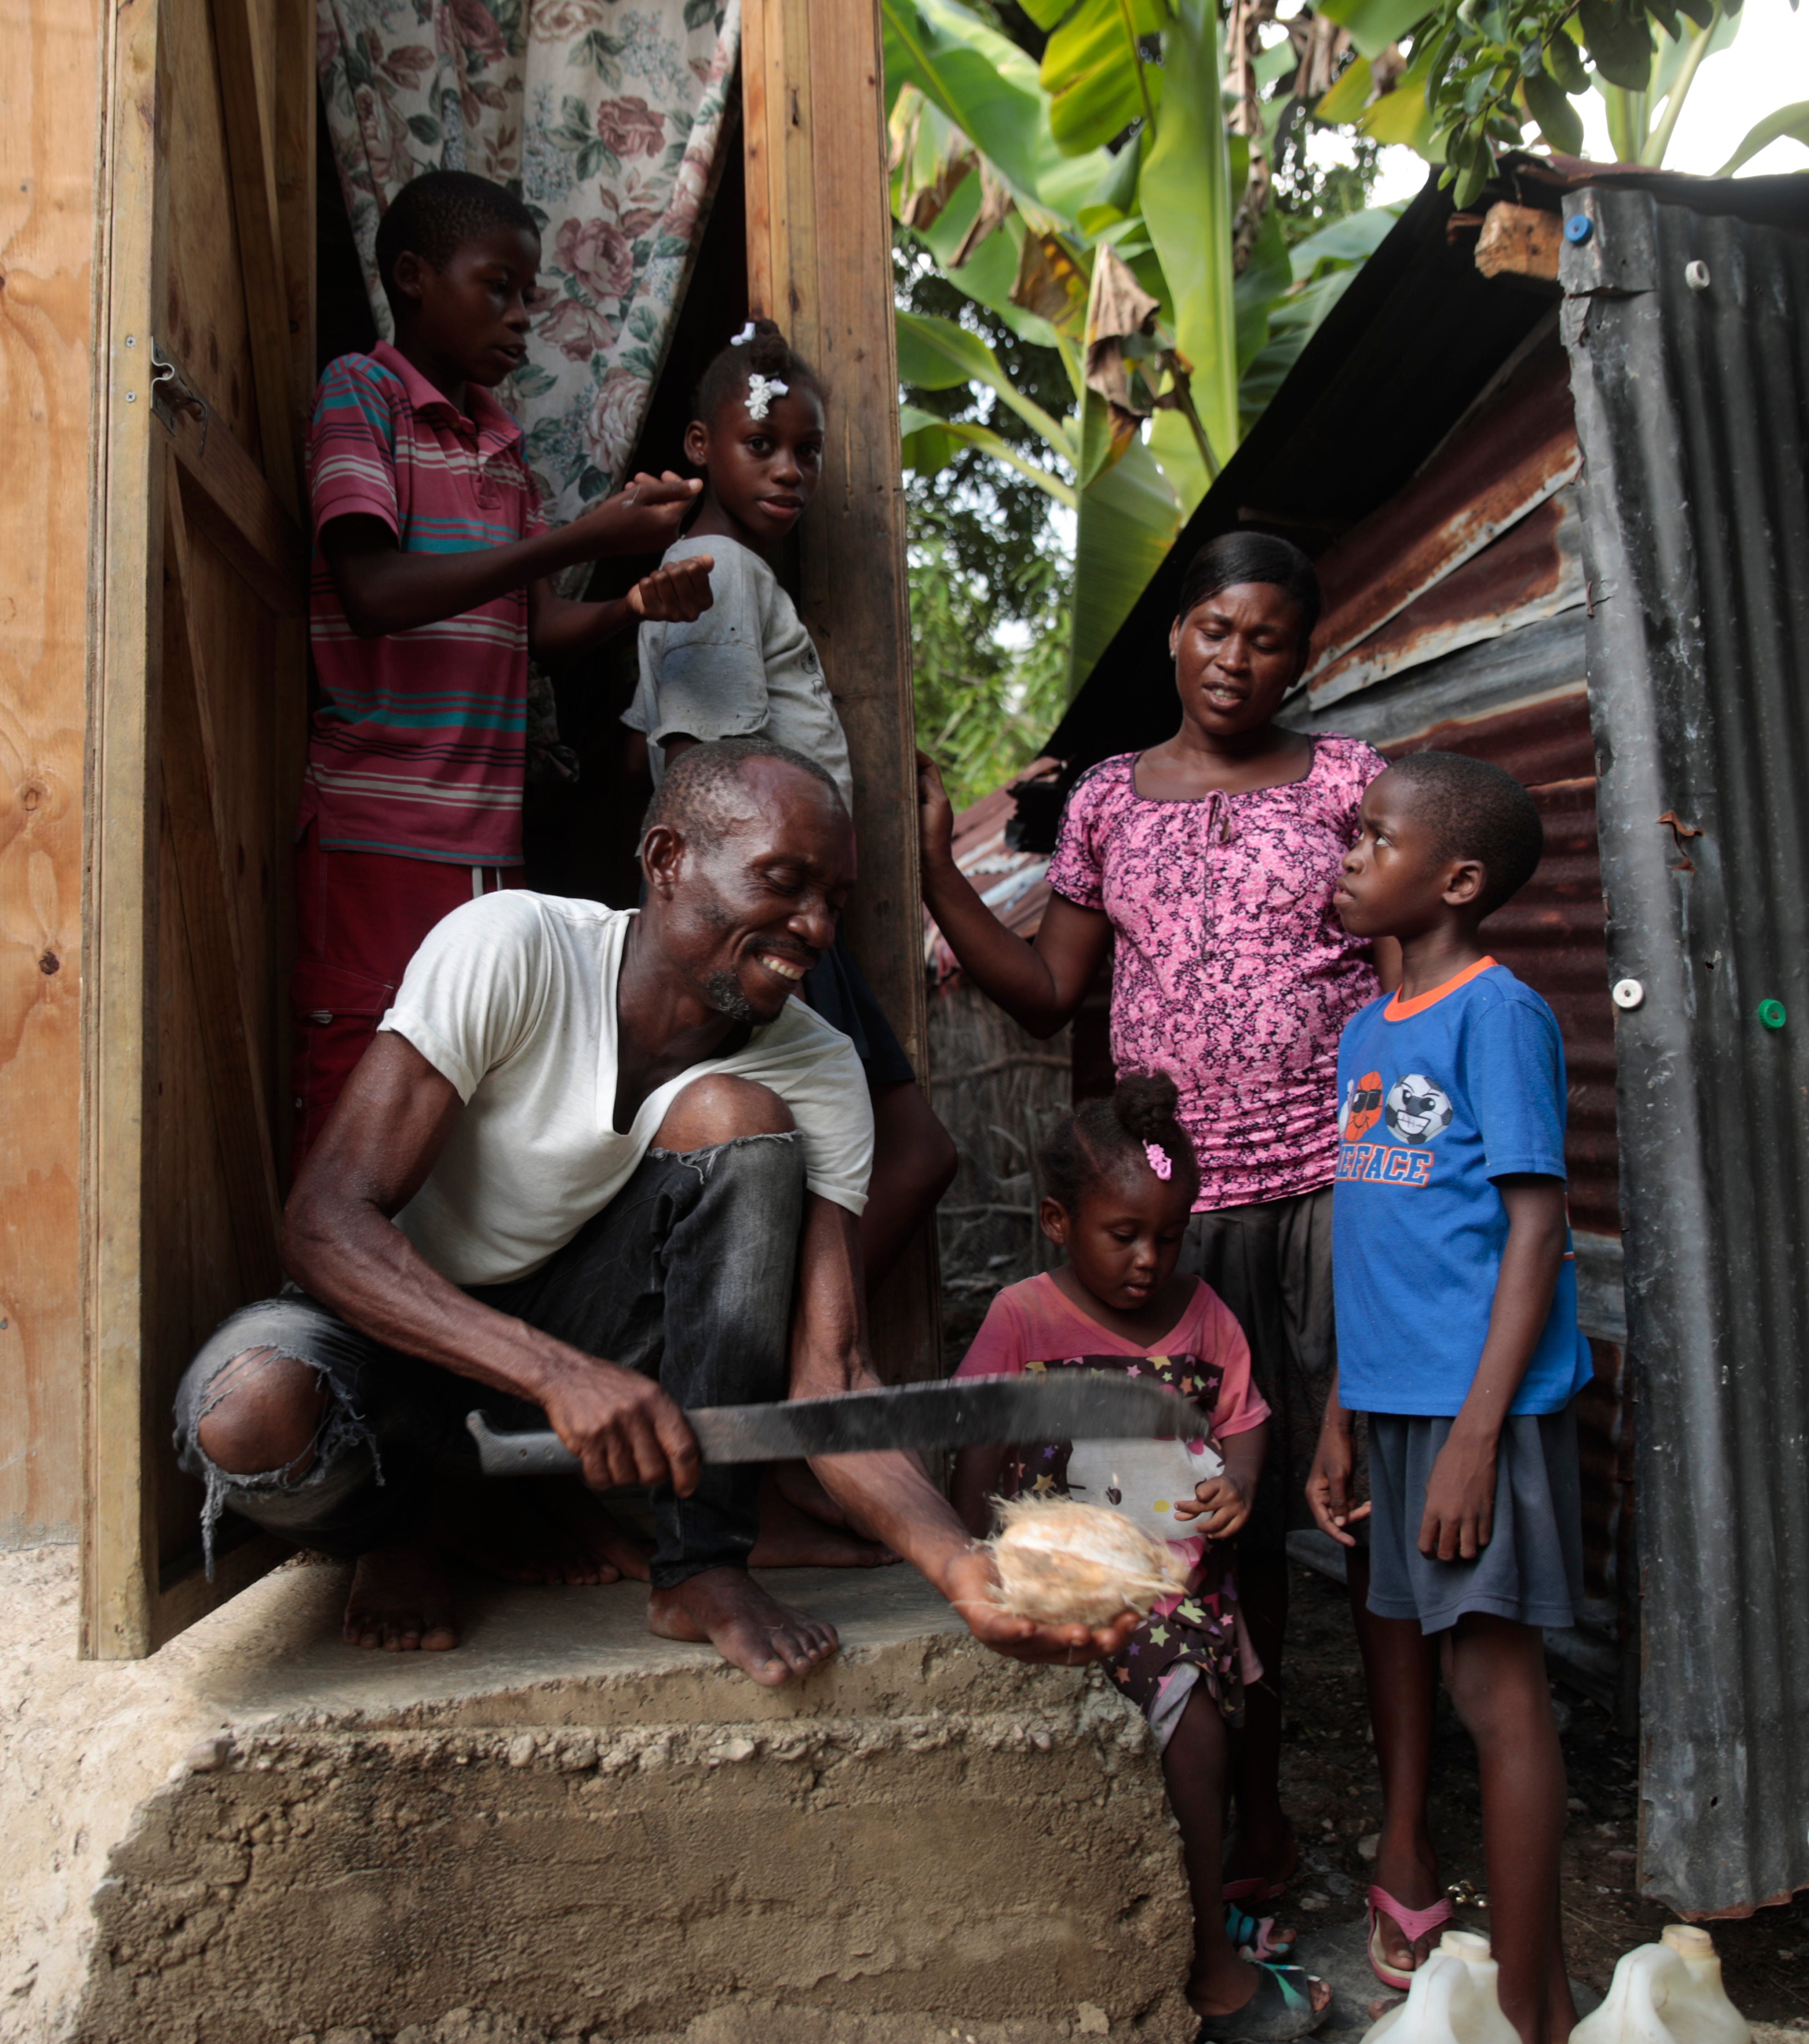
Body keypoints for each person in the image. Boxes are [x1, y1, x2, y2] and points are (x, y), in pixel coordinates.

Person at [173, 736, 1138, 1687]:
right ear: (668, 860)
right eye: (783, 880)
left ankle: (701, 1567)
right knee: (247, 1411)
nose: (815, 928)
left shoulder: (816, 1063)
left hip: (561, 1370)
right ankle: (410, 1522)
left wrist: (965, 1570)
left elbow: (831, 1373)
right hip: (393, 1339)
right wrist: (553, 1371)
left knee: (741, 1119)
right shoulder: (514, 946)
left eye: (831, 900)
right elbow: (326, 1218)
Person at [919, 530, 1386, 1900]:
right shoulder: (1114, 800)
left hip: (1332, 1192)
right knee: (1211, 1532)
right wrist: (939, 870)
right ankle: (1250, 1816)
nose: (1239, 662)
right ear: (1176, 635)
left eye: (1269, 639)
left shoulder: (1353, 785)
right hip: (1181, 1225)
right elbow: (1051, 987)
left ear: (1303, 654)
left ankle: (1337, 1817)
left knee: (1351, 1504)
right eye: (1216, 631)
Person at [296, 168, 717, 1157]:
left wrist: (629, 603)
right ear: (411, 277)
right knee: (353, 1093)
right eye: (500, 287)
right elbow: (375, 591)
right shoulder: (363, 398)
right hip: (379, 830)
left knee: (465, 1102)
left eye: (532, 294)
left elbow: (531, 632)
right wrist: (578, 539)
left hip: (489, 840)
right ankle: (322, 1303)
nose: (524, 316)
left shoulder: (501, 449)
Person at [946, 1074, 1330, 2044]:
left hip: (1175, 1587)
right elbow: (976, 1455)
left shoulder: (1204, 1317)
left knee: (1206, 1728)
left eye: (1171, 1233)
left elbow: (1246, 1420)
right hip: (1066, 1582)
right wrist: (968, 1564)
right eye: (1125, 1234)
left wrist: (1238, 1485)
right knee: (1189, 1726)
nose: (1150, 1259)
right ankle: (1213, 1964)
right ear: (1057, 1220)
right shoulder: (1023, 1320)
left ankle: (1209, 1931)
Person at [1305, 750, 1581, 2042]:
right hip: (1397, 1406)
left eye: (1374, 838)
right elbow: (1380, 1248)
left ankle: (1536, 2008)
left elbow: (1534, 1235)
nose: (1350, 854)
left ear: (1457, 879)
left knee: (1496, 1693)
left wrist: (1476, 1439)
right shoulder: (1370, 1027)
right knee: (1448, 1667)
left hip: (1486, 1414)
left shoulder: (1500, 1015)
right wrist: (1343, 1417)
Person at [622, 318, 957, 1295]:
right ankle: (794, 1349)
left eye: (807, 452)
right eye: (760, 445)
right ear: (700, 447)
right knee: (900, 1149)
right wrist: (767, 937)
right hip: (764, 913)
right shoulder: (719, 576)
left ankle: (798, 1341)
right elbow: (708, 776)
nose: (789, 470)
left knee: (877, 1150)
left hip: (780, 910)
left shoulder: (723, 575)